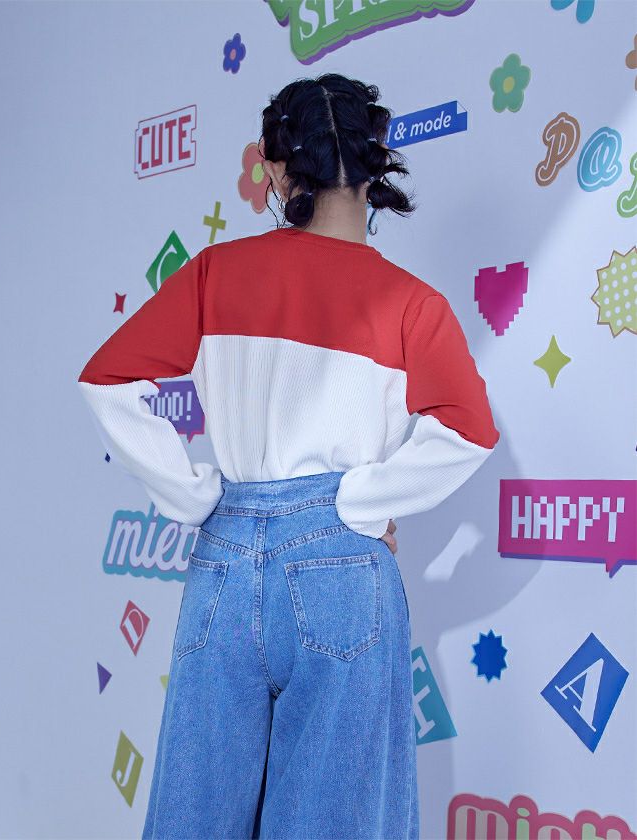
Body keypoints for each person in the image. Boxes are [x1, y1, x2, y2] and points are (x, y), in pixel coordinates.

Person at [77, 72, 500, 840]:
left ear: (274, 170)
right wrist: (362, 500)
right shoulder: (412, 302)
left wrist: (195, 494)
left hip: (225, 559)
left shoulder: (217, 272)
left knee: (196, 817)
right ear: (375, 165)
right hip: (344, 569)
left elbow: (106, 380)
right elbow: (470, 431)